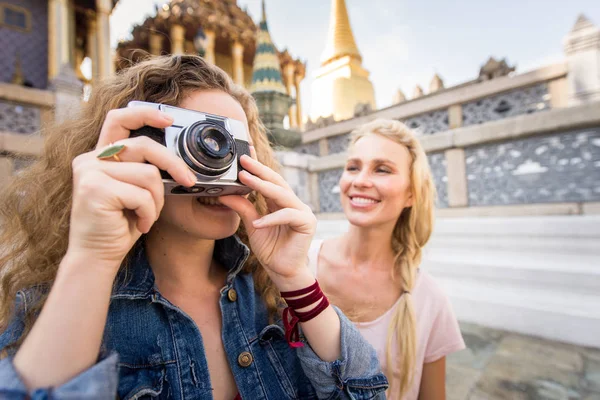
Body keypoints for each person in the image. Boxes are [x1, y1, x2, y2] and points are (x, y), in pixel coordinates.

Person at [0, 55, 388, 399]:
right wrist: (92, 257)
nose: (219, 158)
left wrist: (295, 277)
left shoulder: (267, 294)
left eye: (232, 144)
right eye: (199, 138)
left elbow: (366, 393)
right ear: (136, 149)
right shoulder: (63, 300)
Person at [308, 119, 465, 400]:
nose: (360, 181)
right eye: (353, 167)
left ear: (411, 194)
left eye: (382, 169)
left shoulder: (429, 300)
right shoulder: (298, 265)